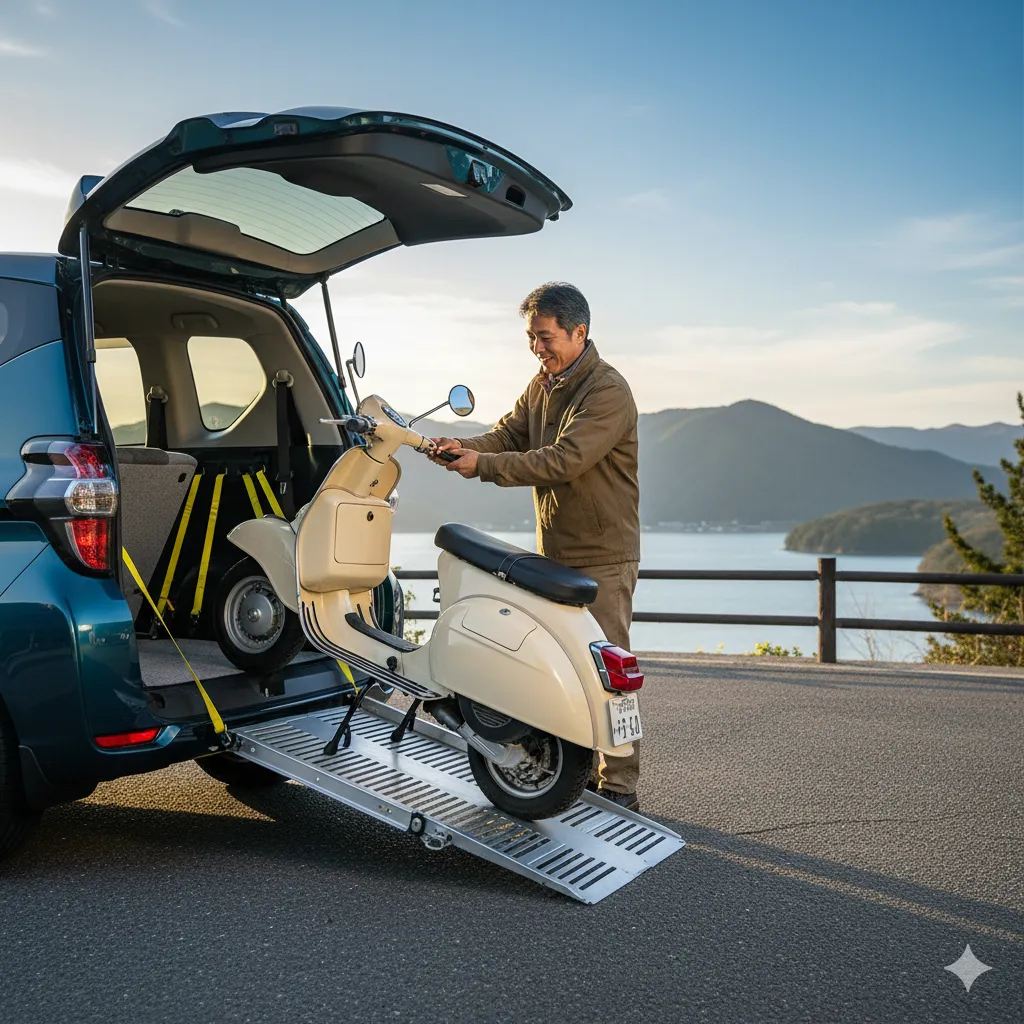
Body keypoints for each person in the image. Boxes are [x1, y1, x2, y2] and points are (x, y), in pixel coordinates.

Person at [430, 281, 642, 810]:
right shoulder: (543, 383)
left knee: (606, 673)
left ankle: (619, 785)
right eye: (531, 338)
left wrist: (483, 467)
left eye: (545, 337)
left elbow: (563, 459)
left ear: (579, 332)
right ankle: (575, 775)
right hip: (555, 552)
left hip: (603, 554)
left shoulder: (606, 391)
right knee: (560, 667)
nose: (537, 348)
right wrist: (464, 447)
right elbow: (506, 435)